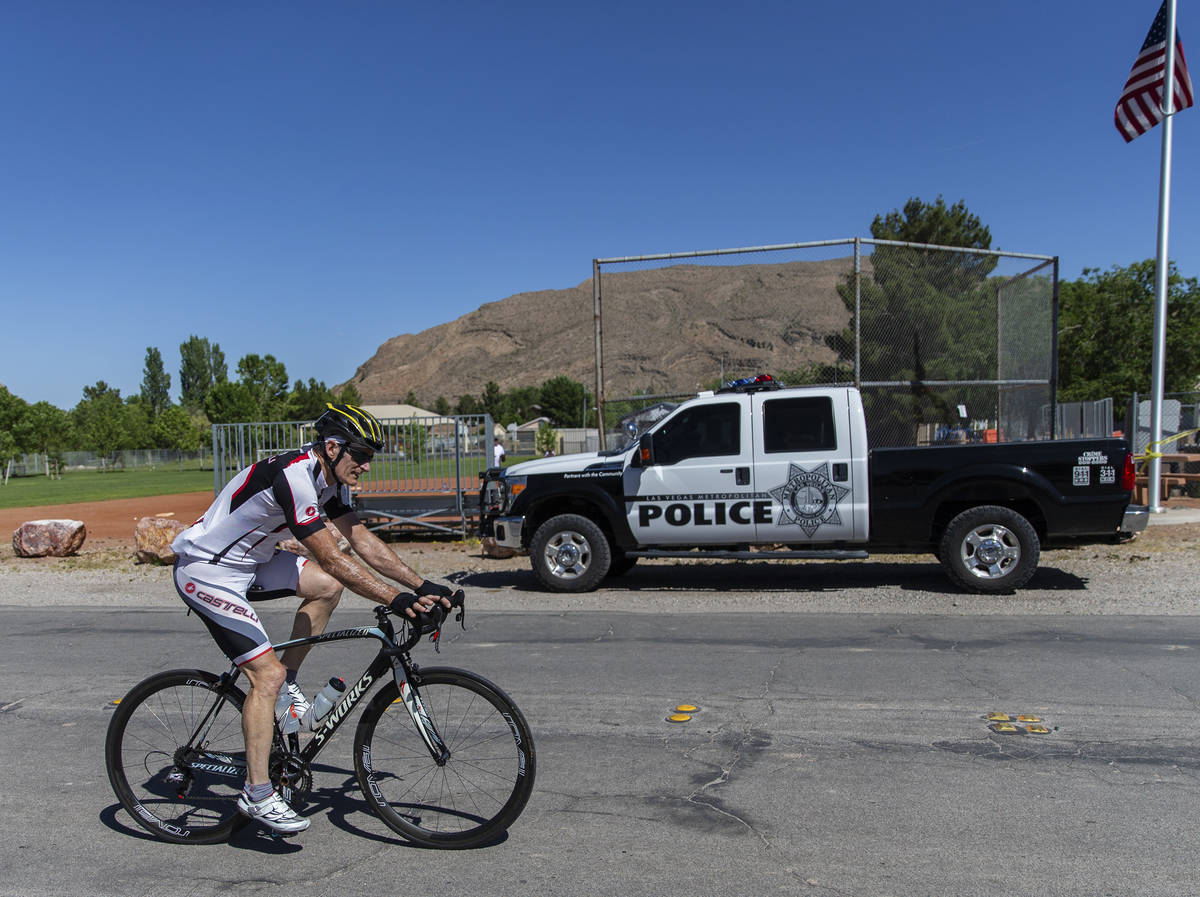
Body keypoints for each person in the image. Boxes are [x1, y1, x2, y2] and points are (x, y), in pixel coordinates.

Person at [170, 403, 455, 835]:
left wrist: (422, 586)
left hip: (250, 564)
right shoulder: (295, 475)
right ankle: (258, 792)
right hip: (207, 570)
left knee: (325, 588)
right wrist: (395, 599)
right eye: (360, 455)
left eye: (369, 458)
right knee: (262, 675)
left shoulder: (330, 480)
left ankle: (288, 685)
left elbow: (360, 539)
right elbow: (331, 556)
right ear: (333, 447)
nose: (365, 465)